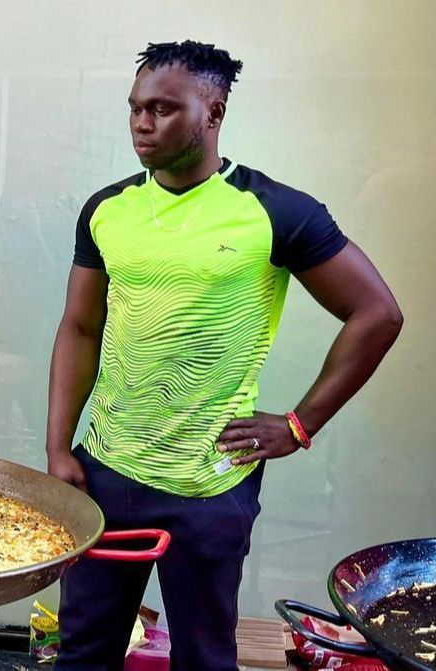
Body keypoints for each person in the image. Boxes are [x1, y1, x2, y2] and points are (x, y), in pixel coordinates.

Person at [45, 40, 403, 671]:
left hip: (209, 483)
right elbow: (79, 328)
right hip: (105, 470)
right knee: (83, 654)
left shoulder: (274, 211)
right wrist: (57, 447)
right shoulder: (107, 210)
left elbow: (377, 314)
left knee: (205, 659)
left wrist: (300, 424)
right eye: (135, 108)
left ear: (212, 112)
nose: (142, 123)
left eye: (162, 108)